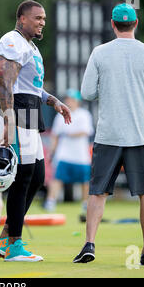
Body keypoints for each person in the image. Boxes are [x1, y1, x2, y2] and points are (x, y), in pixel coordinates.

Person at [73, 3, 144, 266]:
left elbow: (86, 93)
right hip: (141, 135)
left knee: (97, 192)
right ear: (136, 23)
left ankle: (89, 244)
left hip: (108, 134)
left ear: (112, 24)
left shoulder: (99, 52)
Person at [0, 0, 72, 262]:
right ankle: (14, 245)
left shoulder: (30, 46)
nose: (42, 22)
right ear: (22, 19)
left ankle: (5, 237)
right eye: (37, 18)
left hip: (29, 111)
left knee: (36, 176)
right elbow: (5, 80)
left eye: (44, 18)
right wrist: (9, 118)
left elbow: (32, 86)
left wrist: (54, 101)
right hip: (16, 113)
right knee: (22, 177)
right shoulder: (12, 40)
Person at [44, 89, 94, 221]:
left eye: (71, 99)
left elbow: (86, 131)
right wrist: (51, 152)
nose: (68, 101)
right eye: (67, 99)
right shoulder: (60, 115)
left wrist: (68, 133)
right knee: (57, 179)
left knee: (85, 181)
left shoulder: (84, 115)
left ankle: (85, 204)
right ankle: (50, 202)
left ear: (77, 101)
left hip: (81, 155)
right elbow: (55, 135)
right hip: (64, 154)